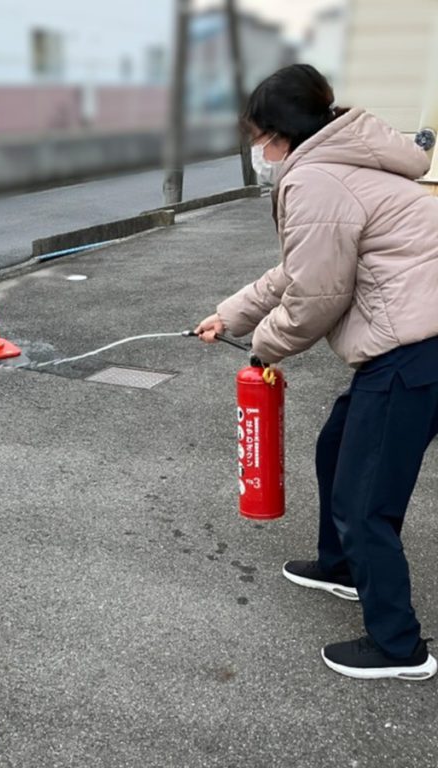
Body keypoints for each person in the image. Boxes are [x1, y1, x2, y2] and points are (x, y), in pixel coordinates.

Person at [195, 64, 438, 681]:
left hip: (416, 350)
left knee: (366, 500)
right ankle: (342, 569)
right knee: (336, 445)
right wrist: (229, 315)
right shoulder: (342, 160)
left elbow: (317, 296)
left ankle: (398, 647)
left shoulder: (318, 181)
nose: (257, 151)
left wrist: (262, 349)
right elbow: (297, 273)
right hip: (414, 339)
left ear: (281, 133)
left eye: (257, 137)